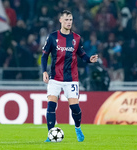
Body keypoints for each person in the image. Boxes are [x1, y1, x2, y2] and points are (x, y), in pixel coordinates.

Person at [41, 10, 98, 142]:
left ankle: (77, 128)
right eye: (66, 19)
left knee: (75, 108)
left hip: (71, 79)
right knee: (51, 106)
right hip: (55, 78)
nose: (69, 22)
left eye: (71, 20)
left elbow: (82, 55)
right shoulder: (52, 37)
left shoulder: (76, 38)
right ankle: (50, 135)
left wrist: (90, 59)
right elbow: (44, 56)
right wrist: (44, 71)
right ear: (60, 20)